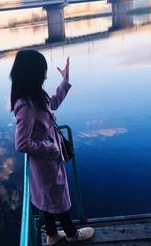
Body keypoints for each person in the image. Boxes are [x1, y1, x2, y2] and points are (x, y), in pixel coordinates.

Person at [10, 50, 94, 245]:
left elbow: (52, 104)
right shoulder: (26, 105)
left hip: (46, 158)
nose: (44, 75)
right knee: (57, 198)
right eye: (42, 71)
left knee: (47, 198)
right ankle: (72, 235)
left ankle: (52, 235)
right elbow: (21, 143)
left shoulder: (34, 94)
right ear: (32, 73)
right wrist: (49, 147)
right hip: (45, 161)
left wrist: (65, 80)